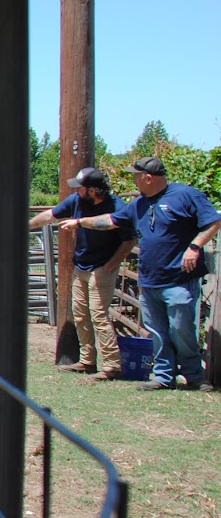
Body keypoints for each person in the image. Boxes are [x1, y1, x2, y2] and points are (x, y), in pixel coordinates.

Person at [59, 155, 220, 391]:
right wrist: (81, 222)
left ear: (148, 177)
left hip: (179, 278)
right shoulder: (139, 204)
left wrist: (194, 247)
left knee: (181, 329)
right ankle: (163, 376)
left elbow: (214, 221)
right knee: (157, 331)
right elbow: (111, 221)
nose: (133, 180)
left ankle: (194, 376)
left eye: (135, 176)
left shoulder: (186, 195)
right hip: (150, 279)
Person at [29, 166, 136, 380]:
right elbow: (50, 215)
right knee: (80, 313)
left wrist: (112, 264)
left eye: (80, 188)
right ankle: (87, 360)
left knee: (98, 314)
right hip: (82, 265)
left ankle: (112, 365)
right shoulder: (77, 201)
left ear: (93, 190)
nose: (76, 191)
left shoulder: (117, 208)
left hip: (102, 267)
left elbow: (130, 240)